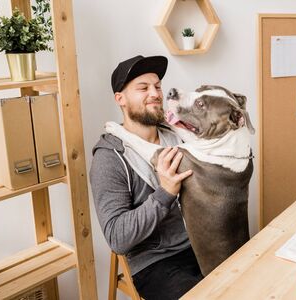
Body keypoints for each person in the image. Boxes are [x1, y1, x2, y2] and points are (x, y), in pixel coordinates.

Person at [90, 55, 203, 300]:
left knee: (247, 281)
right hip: (156, 262)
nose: (155, 93)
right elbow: (117, 237)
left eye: (158, 86)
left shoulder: (179, 136)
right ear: (120, 99)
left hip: (199, 243)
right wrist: (165, 193)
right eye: (143, 88)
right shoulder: (109, 158)